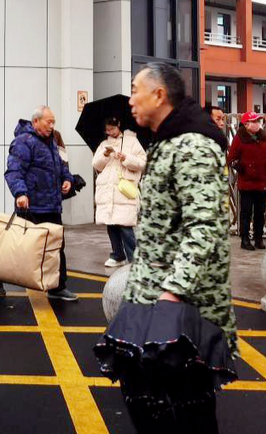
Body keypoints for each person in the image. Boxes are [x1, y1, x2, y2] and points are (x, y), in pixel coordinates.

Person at [97, 63, 236, 432]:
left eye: (135, 90)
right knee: (146, 389)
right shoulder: (167, 140)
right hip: (153, 292)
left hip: (181, 302)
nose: (130, 100)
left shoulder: (193, 145)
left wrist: (174, 291)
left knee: (185, 403)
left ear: (159, 95)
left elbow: (205, 224)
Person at [0, 106, 77, 301]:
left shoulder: (52, 142)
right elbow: (14, 171)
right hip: (31, 205)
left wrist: (67, 179)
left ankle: (57, 287)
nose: (52, 125)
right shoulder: (23, 142)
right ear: (36, 122)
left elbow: (59, 166)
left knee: (56, 247)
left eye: (53, 121)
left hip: (52, 205)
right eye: (49, 121)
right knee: (22, 249)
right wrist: (20, 193)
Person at [92, 117, 147, 268]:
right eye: (107, 130)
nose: (110, 132)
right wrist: (105, 155)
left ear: (119, 126)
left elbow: (142, 162)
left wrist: (125, 157)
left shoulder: (132, 142)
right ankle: (117, 255)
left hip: (123, 190)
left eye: (112, 129)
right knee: (111, 225)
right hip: (108, 190)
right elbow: (96, 165)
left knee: (125, 226)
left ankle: (134, 259)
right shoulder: (104, 144)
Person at [227, 111, 266, 251]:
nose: (257, 124)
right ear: (246, 124)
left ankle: (258, 238)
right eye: (254, 121)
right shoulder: (239, 138)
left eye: (258, 121)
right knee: (246, 212)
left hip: (263, 182)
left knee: (260, 213)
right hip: (247, 183)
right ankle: (245, 239)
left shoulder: (263, 137)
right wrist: (245, 169)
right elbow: (231, 159)